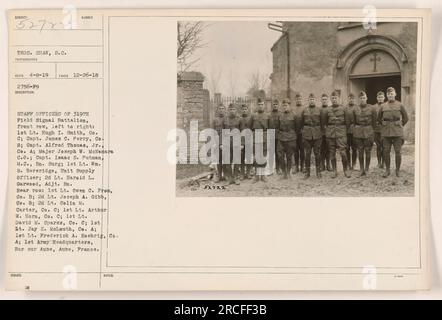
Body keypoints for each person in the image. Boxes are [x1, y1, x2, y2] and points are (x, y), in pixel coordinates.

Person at [378, 87, 409, 177]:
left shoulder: (400, 105)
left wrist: (399, 125)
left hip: (397, 133)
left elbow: (406, 118)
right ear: (387, 95)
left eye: (392, 94)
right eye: (388, 94)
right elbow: (379, 118)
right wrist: (384, 125)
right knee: (386, 151)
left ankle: (397, 170)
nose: (390, 96)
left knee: (398, 152)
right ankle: (387, 170)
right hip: (386, 132)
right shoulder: (383, 106)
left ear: (395, 94)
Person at [323, 91, 351, 178]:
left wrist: (342, 130)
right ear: (331, 99)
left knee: (343, 153)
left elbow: (348, 122)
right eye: (333, 98)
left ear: (339, 99)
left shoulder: (344, 109)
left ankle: (345, 170)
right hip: (330, 134)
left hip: (341, 133)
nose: (334, 100)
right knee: (331, 153)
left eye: (336, 98)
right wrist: (329, 130)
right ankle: (334, 171)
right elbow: (324, 122)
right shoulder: (327, 109)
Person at [352, 91, 376, 177]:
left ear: (366, 98)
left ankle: (367, 169)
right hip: (358, 132)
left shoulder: (372, 108)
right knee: (360, 151)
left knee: (368, 150)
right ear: (359, 99)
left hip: (368, 131)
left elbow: (374, 122)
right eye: (361, 98)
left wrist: (372, 133)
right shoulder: (355, 109)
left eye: (364, 98)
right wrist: (356, 130)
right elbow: (354, 122)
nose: (362, 99)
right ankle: (361, 169)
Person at [301, 93, 323, 179]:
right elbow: (302, 123)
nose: (311, 101)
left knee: (317, 153)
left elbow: (322, 122)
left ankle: (318, 172)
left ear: (315, 100)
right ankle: (307, 172)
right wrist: (304, 132)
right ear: (308, 100)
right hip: (307, 135)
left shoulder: (319, 110)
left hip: (317, 134)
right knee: (307, 154)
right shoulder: (305, 110)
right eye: (310, 99)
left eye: (313, 99)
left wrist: (320, 132)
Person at [250, 98, 270, 182]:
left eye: (262, 104)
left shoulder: (267, 115)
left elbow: (270, 127)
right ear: (257, 106)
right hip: (256, 136)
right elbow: (250, 127)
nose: (260, 106)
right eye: (259, 105)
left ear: (264, 105)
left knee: (264, 156)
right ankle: (256, 176)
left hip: (264, 136)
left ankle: (263, 175)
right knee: (256, 156)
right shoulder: (253, 115)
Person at [277, 99, 296, 179]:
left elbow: (297, 127)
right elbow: (278, 126)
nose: (285, 107)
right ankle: (284, 172)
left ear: (289, 106)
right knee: (280, 155)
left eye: (286, 105)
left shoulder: (294, 115)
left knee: (289, 156)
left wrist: (292, 135)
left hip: (290, 137)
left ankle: (288, 172)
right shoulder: (280, 115)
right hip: (281, 137)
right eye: (283, 105)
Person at [223, 103, 241, 185]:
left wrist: (242, 143)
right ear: (228, 110)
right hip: (227, 142)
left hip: (236, 141)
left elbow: (242, 132)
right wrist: (221, 143)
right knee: (227, 160)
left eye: (233, 109)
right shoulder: (225, 119)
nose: (232, 111)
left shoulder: (239, 119)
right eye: (230, 109)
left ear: (236, 110)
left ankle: (235, 177)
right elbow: (222, 133)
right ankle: (230, 178)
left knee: (237, 160)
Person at [212, 104, 226, 182]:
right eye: (219, 108)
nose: (221, 110)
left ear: (225, 109)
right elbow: (212, 131)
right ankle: (219, 175)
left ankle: (225, 175)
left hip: (225, 140)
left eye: (222, 108)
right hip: (217, 140)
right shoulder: (215, 120)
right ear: (217, 110)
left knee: (226, 159)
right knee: (218, 158)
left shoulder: (227, 119)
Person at [239, 104, 252, 180]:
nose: (244, 110)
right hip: (241, 141)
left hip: (249, 140)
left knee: (249, 157)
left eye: (245, 109)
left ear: (248, 110)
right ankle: (242, 174)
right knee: (241, 157)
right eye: (243, 109)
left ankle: (248, 173)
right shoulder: (239, 119)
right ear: (241, 110)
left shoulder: (251, 119)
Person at [293, 93, 305, 173]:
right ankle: (296, 166)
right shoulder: (292, 109)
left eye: (300, 99)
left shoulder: (304, 109)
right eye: (297, 99)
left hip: (302, 133)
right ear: (295, 100)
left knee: (302, 150)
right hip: (294, 133)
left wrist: (303, 129)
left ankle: (302, 166)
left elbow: (306, 120)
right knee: (296, 150)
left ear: (302, 99)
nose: (299, 100)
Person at [345, 93, 357, 170]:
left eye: (352, 99)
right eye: (350, 98)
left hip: (355, 131)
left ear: (354, 99)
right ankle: (348, 164)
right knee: (347, 148)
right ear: (348, 99)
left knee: (355, 148)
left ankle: (354, 164)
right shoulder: (344, 108)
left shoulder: (357, 108)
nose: (351, 100)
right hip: (346, 131)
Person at [268, 99, 281, 175]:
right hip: (271, 135)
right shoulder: (269, 115)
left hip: (279, 135)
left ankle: (278, 168)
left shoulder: (281, 114)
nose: (275, 106)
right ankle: (270, 169)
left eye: (276, 104)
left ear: (278, 105)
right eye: (274, 104)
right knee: (271, 153)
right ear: (272, 105)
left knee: (278, 152)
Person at [373, 91, 385, 168]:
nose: (380, 99)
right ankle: (379, 162)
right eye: (379, 97)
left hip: (384, 129)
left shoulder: (386, 106)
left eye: (381, 97)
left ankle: (383, 163)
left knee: (384, 147)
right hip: (376, 130)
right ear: (377, 98)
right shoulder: (373, 107)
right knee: (378, 146)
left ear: (384, 98)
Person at [320, 93, 332, 172]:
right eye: (323, 99)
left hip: (329, 132)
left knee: (328, 149)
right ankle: (322, 165)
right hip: (320, 133)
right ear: (321, 100)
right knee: (321, 149)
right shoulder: (319, 110)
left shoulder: (330, 109)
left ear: (327, 100)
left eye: (325, 99)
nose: (324, 101)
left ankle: (328, 164)